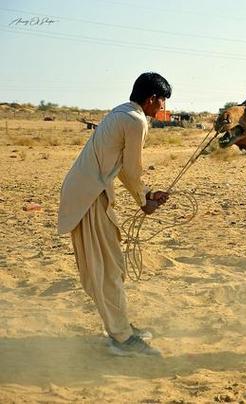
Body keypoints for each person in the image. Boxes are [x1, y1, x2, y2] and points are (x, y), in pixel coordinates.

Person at [58, 72, 171, 356]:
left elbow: (121, 167)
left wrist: (146, 194)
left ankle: (120, 328)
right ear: (152, 99)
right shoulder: (135, 121)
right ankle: (122, 339)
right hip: (89, 196)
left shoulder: (121, 113)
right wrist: (144, 201)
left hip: (89, 192)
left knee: (109, 265)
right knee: (107, 268)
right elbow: (132, 168)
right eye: (162, 102)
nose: (162, 109)